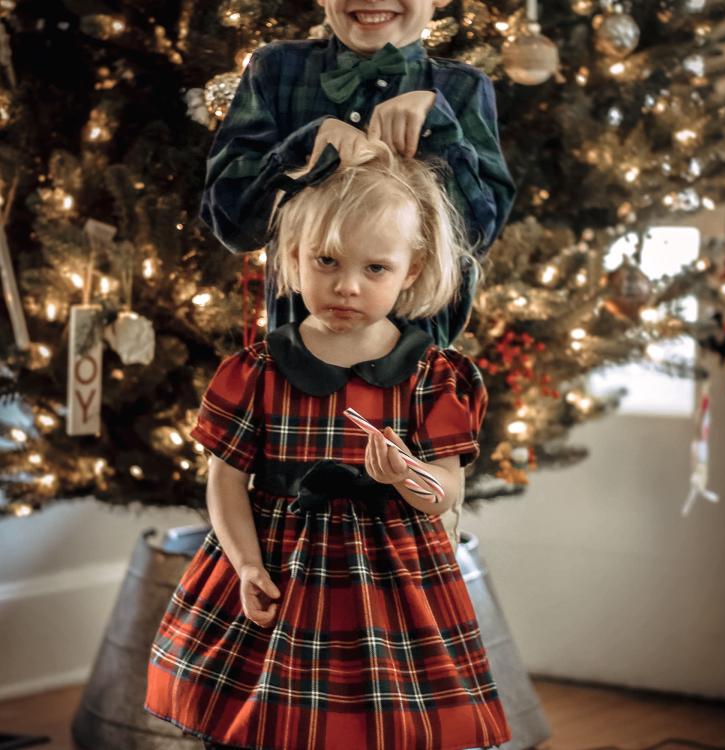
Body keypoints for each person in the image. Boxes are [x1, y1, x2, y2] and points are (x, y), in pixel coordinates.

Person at [145, 142, 511, 749]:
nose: (347, 287)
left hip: (390, 585)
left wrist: (405, 476)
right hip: (277, 572)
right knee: (257, 726)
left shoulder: (432, 375)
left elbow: (444, 492)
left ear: (410, 272)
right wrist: (244, 564)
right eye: (327, 262)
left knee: (382, 730)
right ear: (293, 257)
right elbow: (226, 480)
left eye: (375, 270)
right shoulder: (257, 370)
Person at [200, 0, 516, 349]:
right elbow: (233, 225)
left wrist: (440, 128)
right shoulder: (275, 70)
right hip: (299, 355)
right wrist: (300, 149)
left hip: (413, 365)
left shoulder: (464, 89)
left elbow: (476, 236)